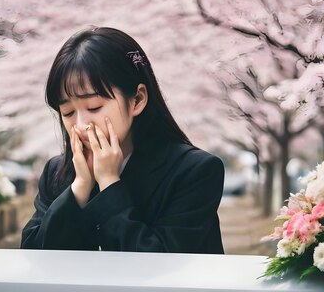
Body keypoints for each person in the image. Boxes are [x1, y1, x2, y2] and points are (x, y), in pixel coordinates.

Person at [21, 27, 225, 254]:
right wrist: (80, 188)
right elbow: (36, 255)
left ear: (137, 100)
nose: (80, 125)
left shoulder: (194, 172)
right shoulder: (55, 172)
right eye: (68, 113)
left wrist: (109, 182)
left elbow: (159, 264)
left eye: (94, 107)